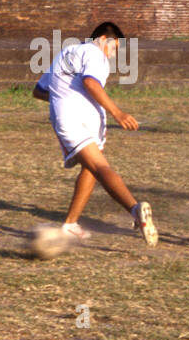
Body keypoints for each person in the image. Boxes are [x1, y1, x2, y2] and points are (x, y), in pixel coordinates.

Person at [32, 22, 158, 246]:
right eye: (114, 48)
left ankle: (79, 221)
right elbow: (90, 82)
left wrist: (64, 99)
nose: (112, 54)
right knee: (97, 167)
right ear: (103, 39)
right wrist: (118, 113)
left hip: (73, 119)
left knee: (94, 168)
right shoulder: (95, 53)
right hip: (86, 120)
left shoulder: (67, 52)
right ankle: (133, 209)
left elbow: (40, 91)